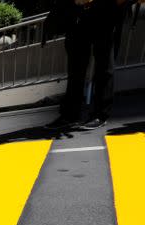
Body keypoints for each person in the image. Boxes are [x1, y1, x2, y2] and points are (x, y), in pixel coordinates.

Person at [45, 0, 130, 130]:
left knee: (104, 66)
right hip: (78, 15)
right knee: (75, 67)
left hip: (106, 13)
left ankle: (99, 114)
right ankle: (71, 115)